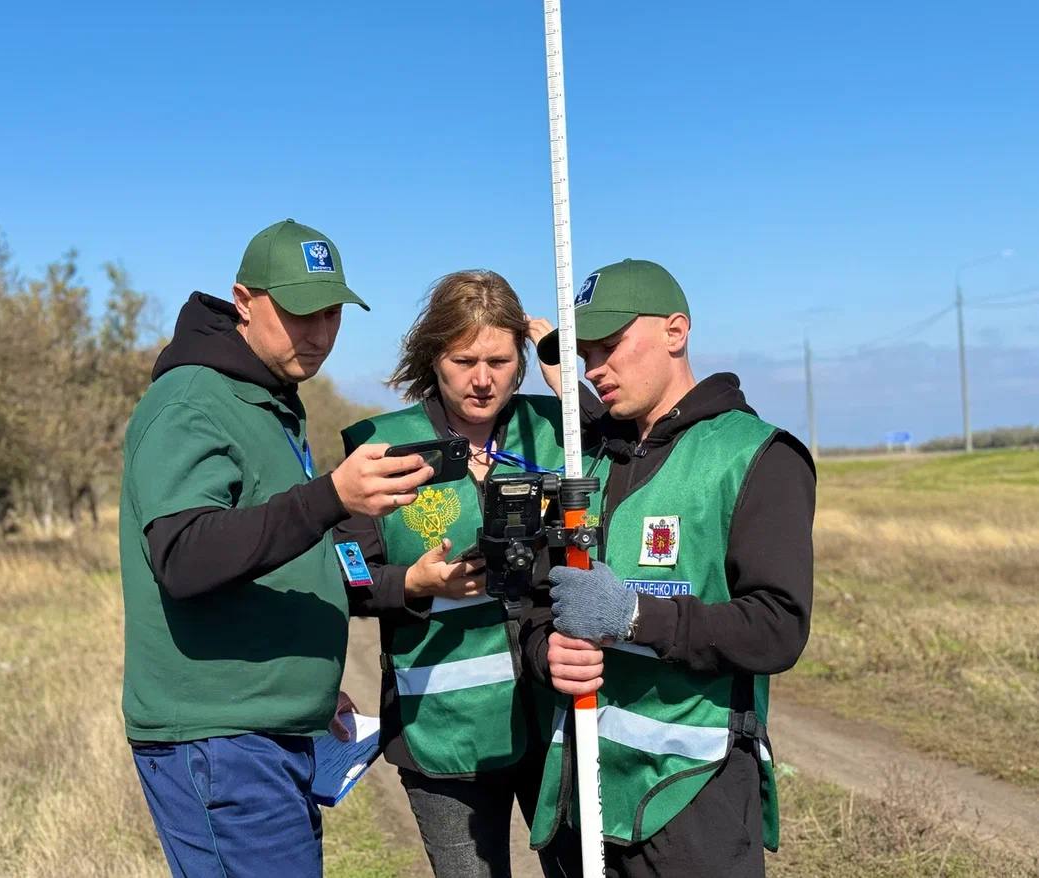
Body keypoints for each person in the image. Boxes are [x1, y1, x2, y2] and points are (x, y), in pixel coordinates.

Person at [119, 219, 434, 877]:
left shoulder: (269, 402)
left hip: (266, 732)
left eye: (331, 314)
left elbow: (272, 548)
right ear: (243, 300)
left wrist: (305, 683)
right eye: (298, 313)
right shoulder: (192, 399)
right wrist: (332, 497)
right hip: (220, 741)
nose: (318, 334)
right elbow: (185, 556)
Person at [522, 259, 815, 877]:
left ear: (676, 332)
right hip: (584, 795)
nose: (594, 366)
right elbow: (543, 602)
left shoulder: (756, 456)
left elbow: (778, 627)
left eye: (610, 344)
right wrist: (546, 651)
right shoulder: (590, 463)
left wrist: (634, 616)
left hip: (692, 802)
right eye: (583, 353)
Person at [333, 270, 605, 878]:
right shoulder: (380, 447)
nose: (482, 379)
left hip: (555, 720)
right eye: (463, 360)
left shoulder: (562, 430)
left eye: (500, 360)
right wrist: (415, 585)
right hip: (442, 737)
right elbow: (347, 578)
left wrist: (568, 383)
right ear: (434, 357)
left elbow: (627, 458)